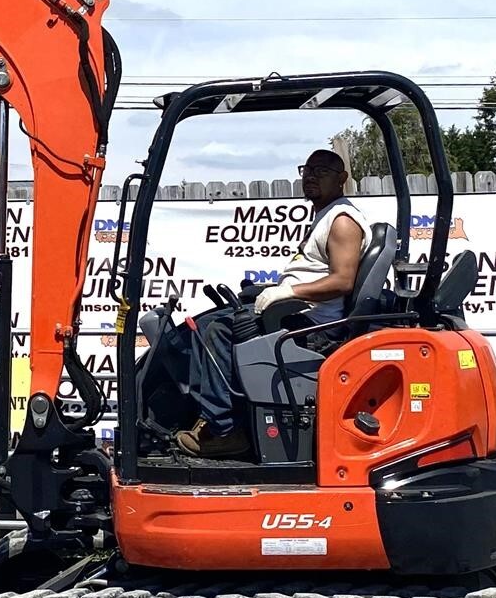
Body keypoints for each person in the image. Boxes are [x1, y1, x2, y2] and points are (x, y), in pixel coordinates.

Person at [142, 148, 367, 459]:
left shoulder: (342, 221)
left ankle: (224, 431)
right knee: (203, 325)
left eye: (322, 171)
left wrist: (289, 293)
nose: (311, 177)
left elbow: (343, 281)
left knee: (219, 330)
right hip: (296, 312)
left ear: (342, 179)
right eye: (307, 170)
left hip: (314, 325)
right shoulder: (324, 215)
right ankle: (208, 417)